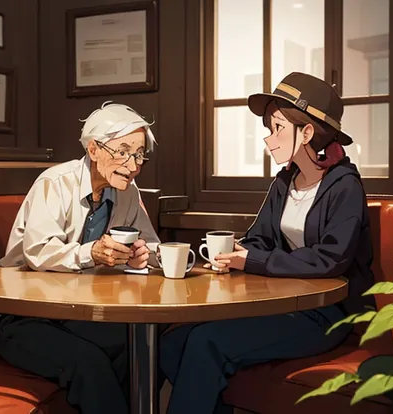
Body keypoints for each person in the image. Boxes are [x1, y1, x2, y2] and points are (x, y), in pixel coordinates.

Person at [159, 72, 377, 414]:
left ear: (306, 133)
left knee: (206, 341)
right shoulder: (285, 182)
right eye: (269, 128)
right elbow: (260, 237)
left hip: (326, 313)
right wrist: (235, 253)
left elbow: (331, 259)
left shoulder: (345, 186)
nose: (269, 139)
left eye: (278, 128)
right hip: (281, 306)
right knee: (173, 342)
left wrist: (255, 261)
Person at [0, 101, 162, 414]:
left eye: (139, 154)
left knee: (142, 347)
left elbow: (151, 245)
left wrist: (143, 254)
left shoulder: (127, 191)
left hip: (77, 314)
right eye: (123, 151)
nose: (134, 164)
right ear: (94, 149)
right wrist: (91, 252)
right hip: (23, 317)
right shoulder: (55, 183)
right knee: (90, 361)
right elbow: (38, 251)